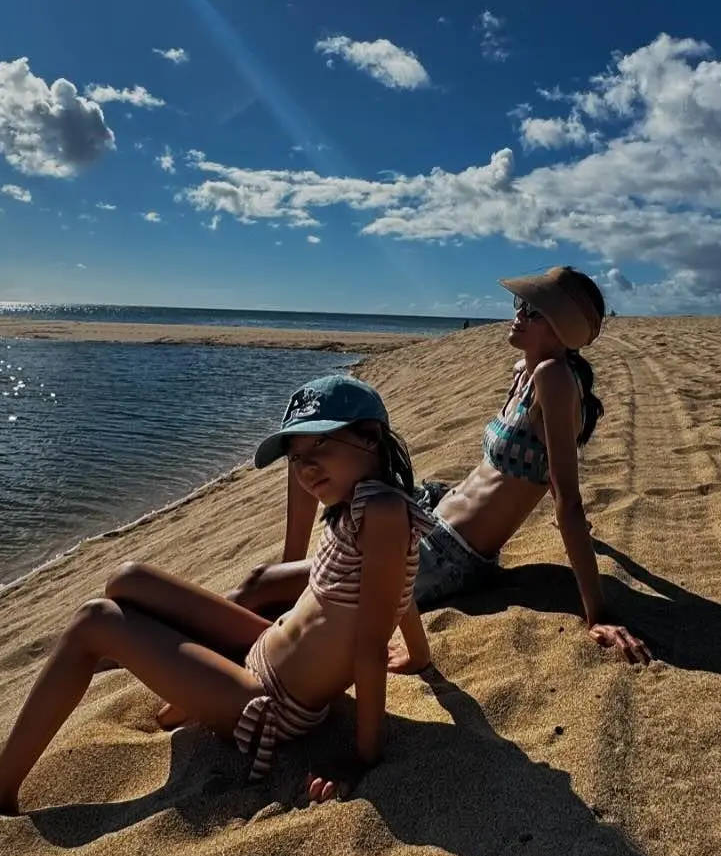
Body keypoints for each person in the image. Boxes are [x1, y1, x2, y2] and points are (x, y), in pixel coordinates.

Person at [0, 375, 434, 814]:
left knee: (95, 619)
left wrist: (363, 756)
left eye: (321, 447)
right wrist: (417, 652)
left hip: (271, 702)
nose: (306, 470)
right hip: (262, 650)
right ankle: (160, 669)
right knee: (127, 578)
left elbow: (371, 642)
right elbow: (396, 588)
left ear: (369, 438)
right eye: (298, 457)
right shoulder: (361, 502)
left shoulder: (384, 514)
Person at [234, 267, 648, 665]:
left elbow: (567, 498)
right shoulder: (528, 371)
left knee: (259, 583)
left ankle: (203, 645)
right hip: (433, 503)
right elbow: (548, 475)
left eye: (533, 311)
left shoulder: (554, 378)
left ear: (562, 328)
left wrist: (598, 613)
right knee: (305, 445)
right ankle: (289, 566)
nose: (518, 315)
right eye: (519, 305)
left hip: (448, 554)